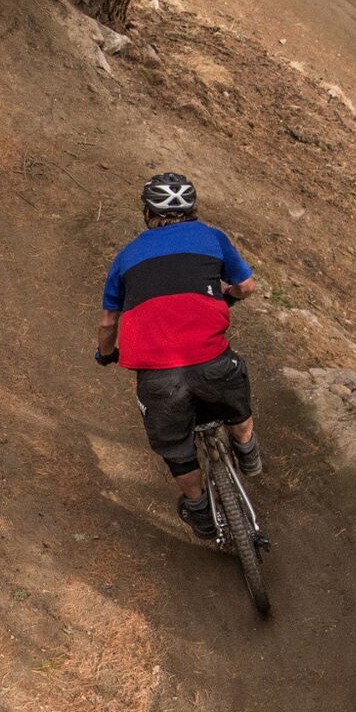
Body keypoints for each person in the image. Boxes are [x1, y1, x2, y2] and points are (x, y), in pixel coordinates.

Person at [94, 172, 261, 542]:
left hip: (159, 378)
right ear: (192, 209)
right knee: (235, 396)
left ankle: (200, 510)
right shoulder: (212, 237)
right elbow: (246, 286)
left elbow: (108, 323)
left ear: (147, 213)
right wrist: (226, 298)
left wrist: (105, 355)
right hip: (212, 363)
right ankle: (247, 449)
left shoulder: (126, 257)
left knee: (174, 447)